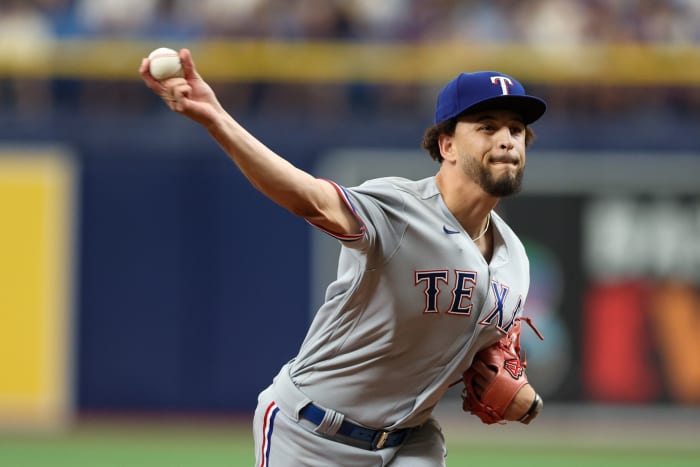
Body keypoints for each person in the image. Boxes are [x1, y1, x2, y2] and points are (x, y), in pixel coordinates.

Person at [140, 49, 546, 467]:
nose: (506, 139)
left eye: (517, 129)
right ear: (447, 145)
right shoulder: (400, 210)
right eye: (487, 126)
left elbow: (491, 354)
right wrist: (216, 118)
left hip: (411, 443)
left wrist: (525, 400)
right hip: (311, 435)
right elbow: (310, 199)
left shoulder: (515, 259)